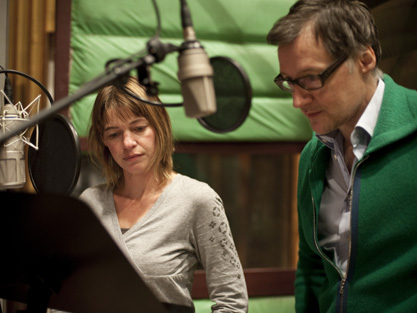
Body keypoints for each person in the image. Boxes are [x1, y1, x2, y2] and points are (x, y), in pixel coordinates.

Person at [267, 0, 417, 312]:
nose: (297, 100)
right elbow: (310, 266)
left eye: (310, 78)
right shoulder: (312, 154)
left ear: (364, 58)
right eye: (288, 82)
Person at [78, 76, 248, 312]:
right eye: (114, 134)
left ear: (159, 127)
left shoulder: (197, 200)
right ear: (104, 140)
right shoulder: (89, 204)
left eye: (138, 128)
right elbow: (65, 297)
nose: (128, 142)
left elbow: (233, 303)